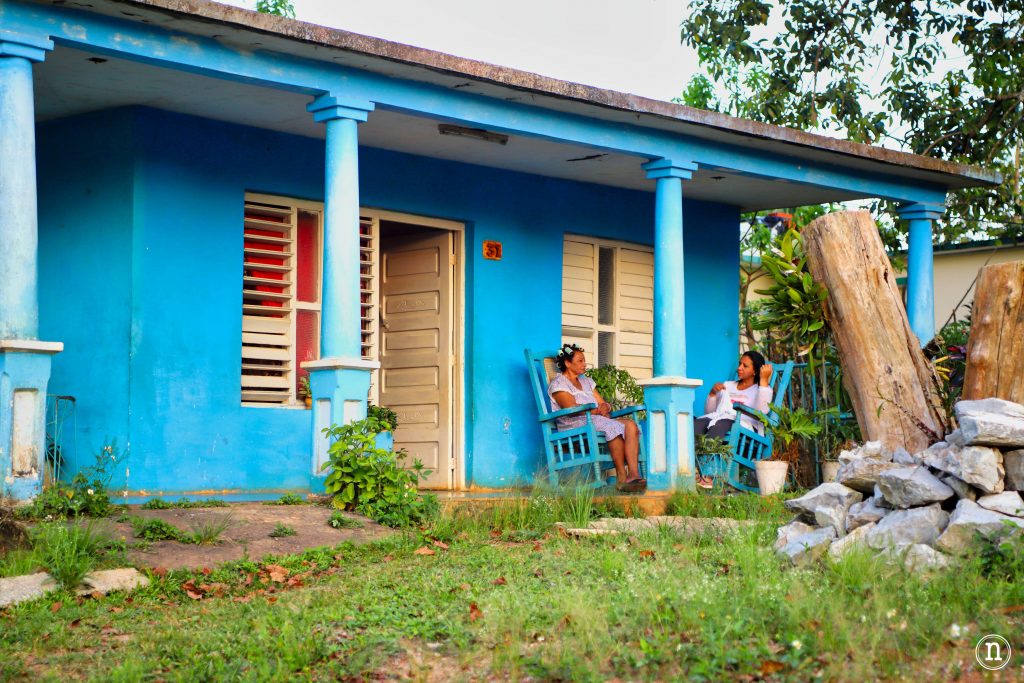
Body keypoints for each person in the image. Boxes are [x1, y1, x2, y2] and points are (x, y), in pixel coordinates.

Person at [548, 344, 646, 492]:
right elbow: (571, 408)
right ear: (567, 363)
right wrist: (595, 410)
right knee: (612, 426)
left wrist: (606, 407)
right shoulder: (558, 384)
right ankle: (621, 476)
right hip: (574, 423)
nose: (584, 364)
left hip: (595, 419)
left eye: (584, 360)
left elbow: (601, 402)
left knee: (631, 425)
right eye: (580, 361)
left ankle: (633, 475)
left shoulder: (586, 381)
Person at [693, 351, 774, 488]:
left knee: (719, 425)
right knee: (696, 424)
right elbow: (710, 413)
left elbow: (762, 411)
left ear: (755, 371)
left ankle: (708, 475)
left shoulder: (761, 389)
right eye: (739, 364)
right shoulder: (728, 385)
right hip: (721, 419)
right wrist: (712, 394)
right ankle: (693, 469)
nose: (739, 368)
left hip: (746, 426)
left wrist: (764, 381)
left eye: (745, 366)